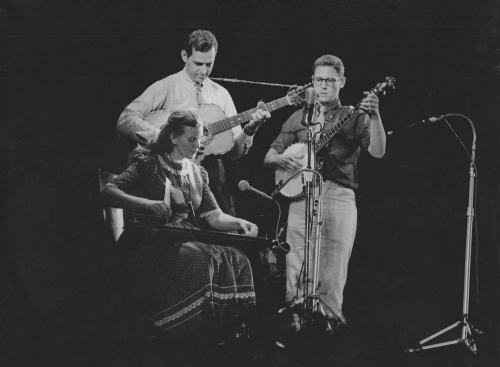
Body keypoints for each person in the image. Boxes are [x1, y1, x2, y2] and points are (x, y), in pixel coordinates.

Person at [102, 110, 259, 343]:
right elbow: (109, 191)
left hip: (185, 238)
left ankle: (230, 333)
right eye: (191, 139)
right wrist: (147, 204)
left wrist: (240, 222)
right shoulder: (148, 163)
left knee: (237, 258)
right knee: (205, 259)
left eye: (199, 139)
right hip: (151, 241)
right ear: (174, 138)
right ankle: (191, 335)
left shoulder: (197, 172)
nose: (198, 145)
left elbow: (214, 216)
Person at [263, 55, 386, 324]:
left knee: (332, 270)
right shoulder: (298, 118)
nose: (323, 86)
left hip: (338, 194)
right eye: (318, 80)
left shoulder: (354, 116)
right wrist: (279, 159)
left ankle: (325, 332)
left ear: (341, 82)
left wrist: (375, 116)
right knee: (296, 267)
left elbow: (377, 151)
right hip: (301, 196)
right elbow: (269, 156)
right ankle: (295, 326)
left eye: (330, 80)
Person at [116, 29, 270, 216]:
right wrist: (165, 137)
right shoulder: (166, 86)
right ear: (184, 56)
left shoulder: (221, 94)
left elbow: (233, 153)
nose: (203, 71)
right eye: (198, 63)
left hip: (209, 182)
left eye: (209, 64)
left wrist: (251, 129)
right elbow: (126, 119)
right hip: (167, 180)